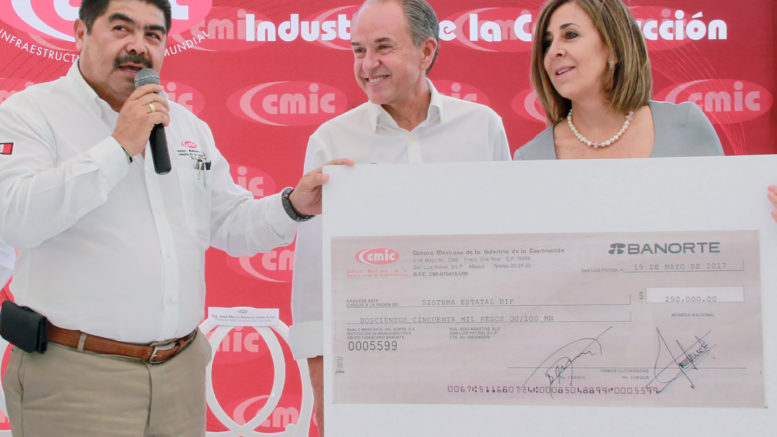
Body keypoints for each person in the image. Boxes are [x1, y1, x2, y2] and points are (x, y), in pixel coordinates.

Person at [0, 0, 351, 435]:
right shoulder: (29, 114)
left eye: (153, 35)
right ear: (80, 34)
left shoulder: (186, 126)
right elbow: (17, 219)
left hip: (179, 372)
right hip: (76, 376)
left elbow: (230, 223)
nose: (138, 46)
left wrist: (294, 205)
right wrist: (119, 147)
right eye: (121, 29)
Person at [288, 0, 511, 434]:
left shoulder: (481, 128)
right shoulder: (332, 140)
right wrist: (319, 375)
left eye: (383, 47)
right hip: (372, 362)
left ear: (426, 51)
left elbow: (510, 247)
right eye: (358, 50)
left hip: (474, 360)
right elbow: (314, 271)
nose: (367, 64)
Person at [515, 0, 723, 160]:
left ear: (614, 48)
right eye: (547, 44)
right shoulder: (531, 157)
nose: (554, 52)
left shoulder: (686, 125)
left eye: (570, 35)